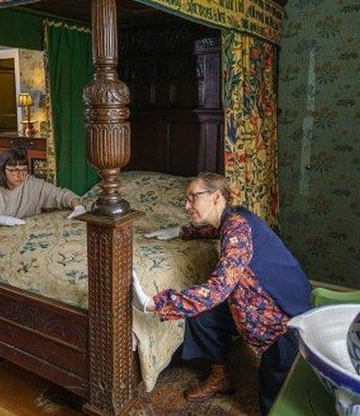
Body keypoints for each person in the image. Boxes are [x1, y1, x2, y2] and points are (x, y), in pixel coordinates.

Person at [131, 172, 312, 415]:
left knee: (275, 401)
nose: (186, 205)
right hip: (255, 302)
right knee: (201, 318)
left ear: (216, 196)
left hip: (283, 319)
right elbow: (216, 231)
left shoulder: (236, 227)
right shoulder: (233, 218)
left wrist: (153, 303)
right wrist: (180, 231)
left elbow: (217, 290)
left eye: (193, 197)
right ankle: (220, 377)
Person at [0, 147, 85, 234]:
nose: (20, 175)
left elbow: (61, 195)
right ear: (2, 170)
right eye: (14, 170)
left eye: (24, 170)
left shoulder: (32, 183)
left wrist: (78, 206)